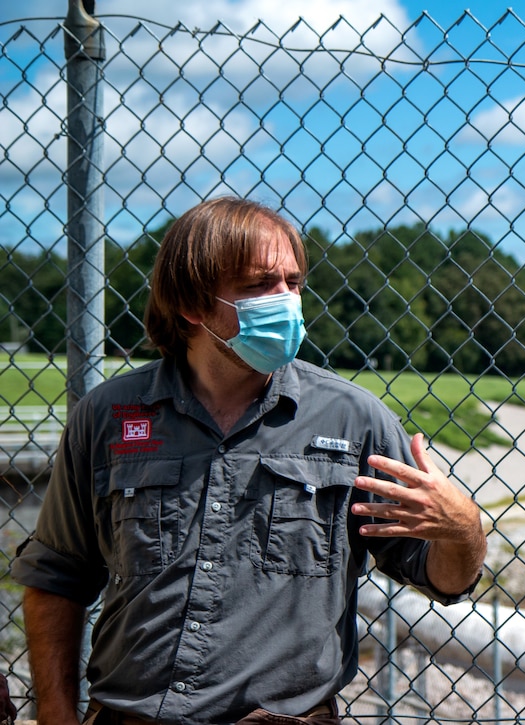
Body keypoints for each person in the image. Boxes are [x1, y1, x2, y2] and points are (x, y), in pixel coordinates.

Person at [12, 197, 488, 725]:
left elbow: (442, 580)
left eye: (293, 282)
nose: (286, 300)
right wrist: (56, 713)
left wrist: (462, 529)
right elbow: (57, 575)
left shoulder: (354, 420)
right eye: (260, 284)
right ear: (193, 303)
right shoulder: (106, 417)